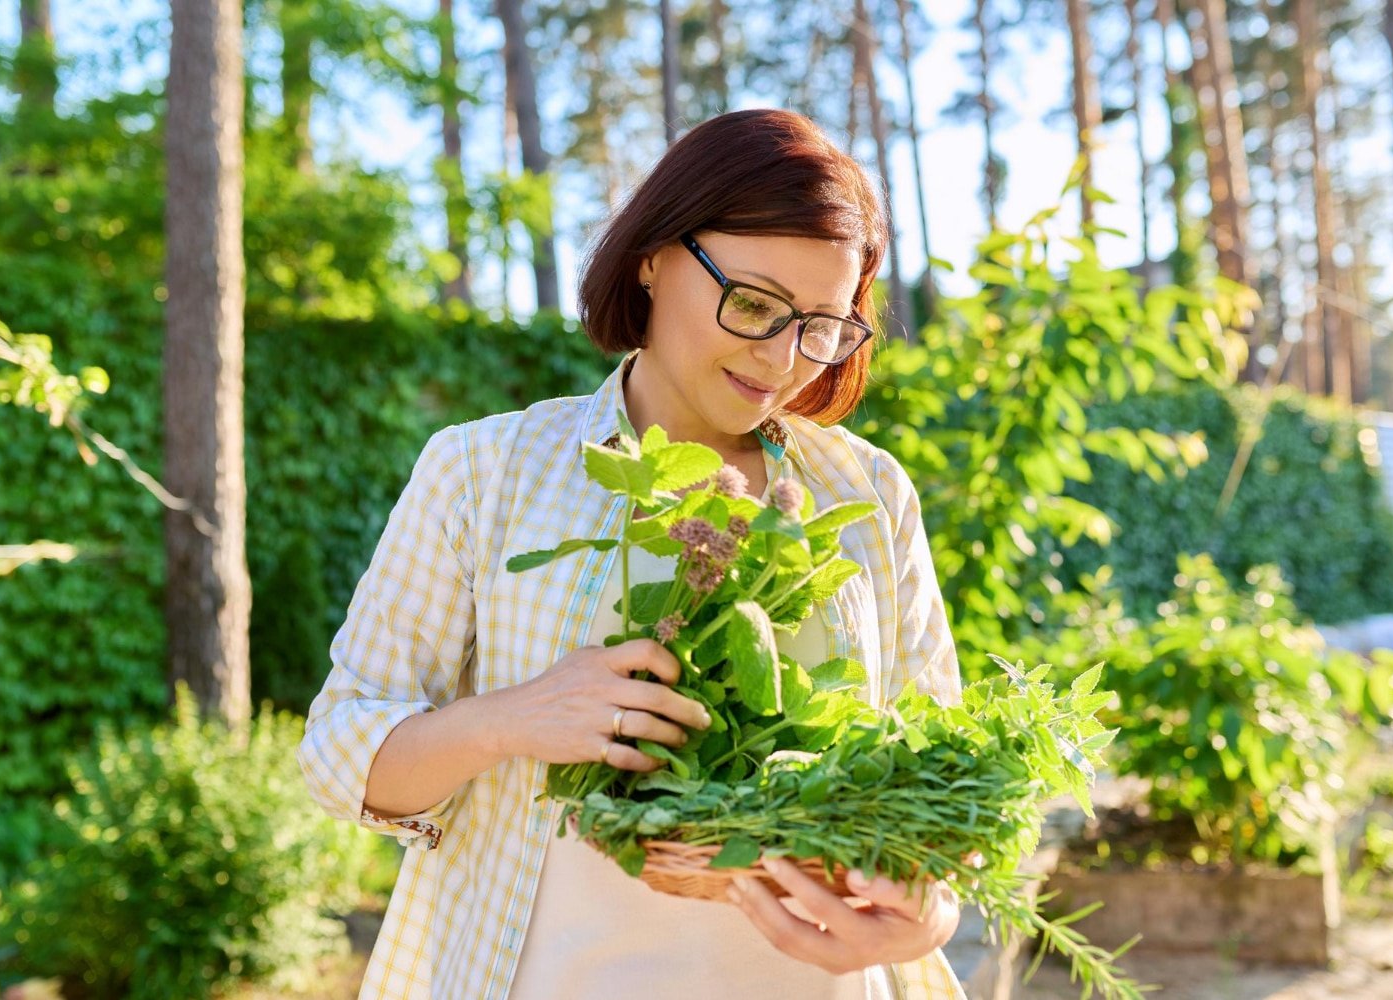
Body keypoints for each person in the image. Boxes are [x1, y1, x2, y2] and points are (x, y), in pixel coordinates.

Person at [298, 108, 968, 999]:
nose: (783, 359)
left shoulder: (869, 493)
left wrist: (928, 915)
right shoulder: (487, 471)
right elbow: (341, 753)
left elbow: (938, 778)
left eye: (823, 325)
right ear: (654, 255)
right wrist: (517, 716)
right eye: (756, 304)